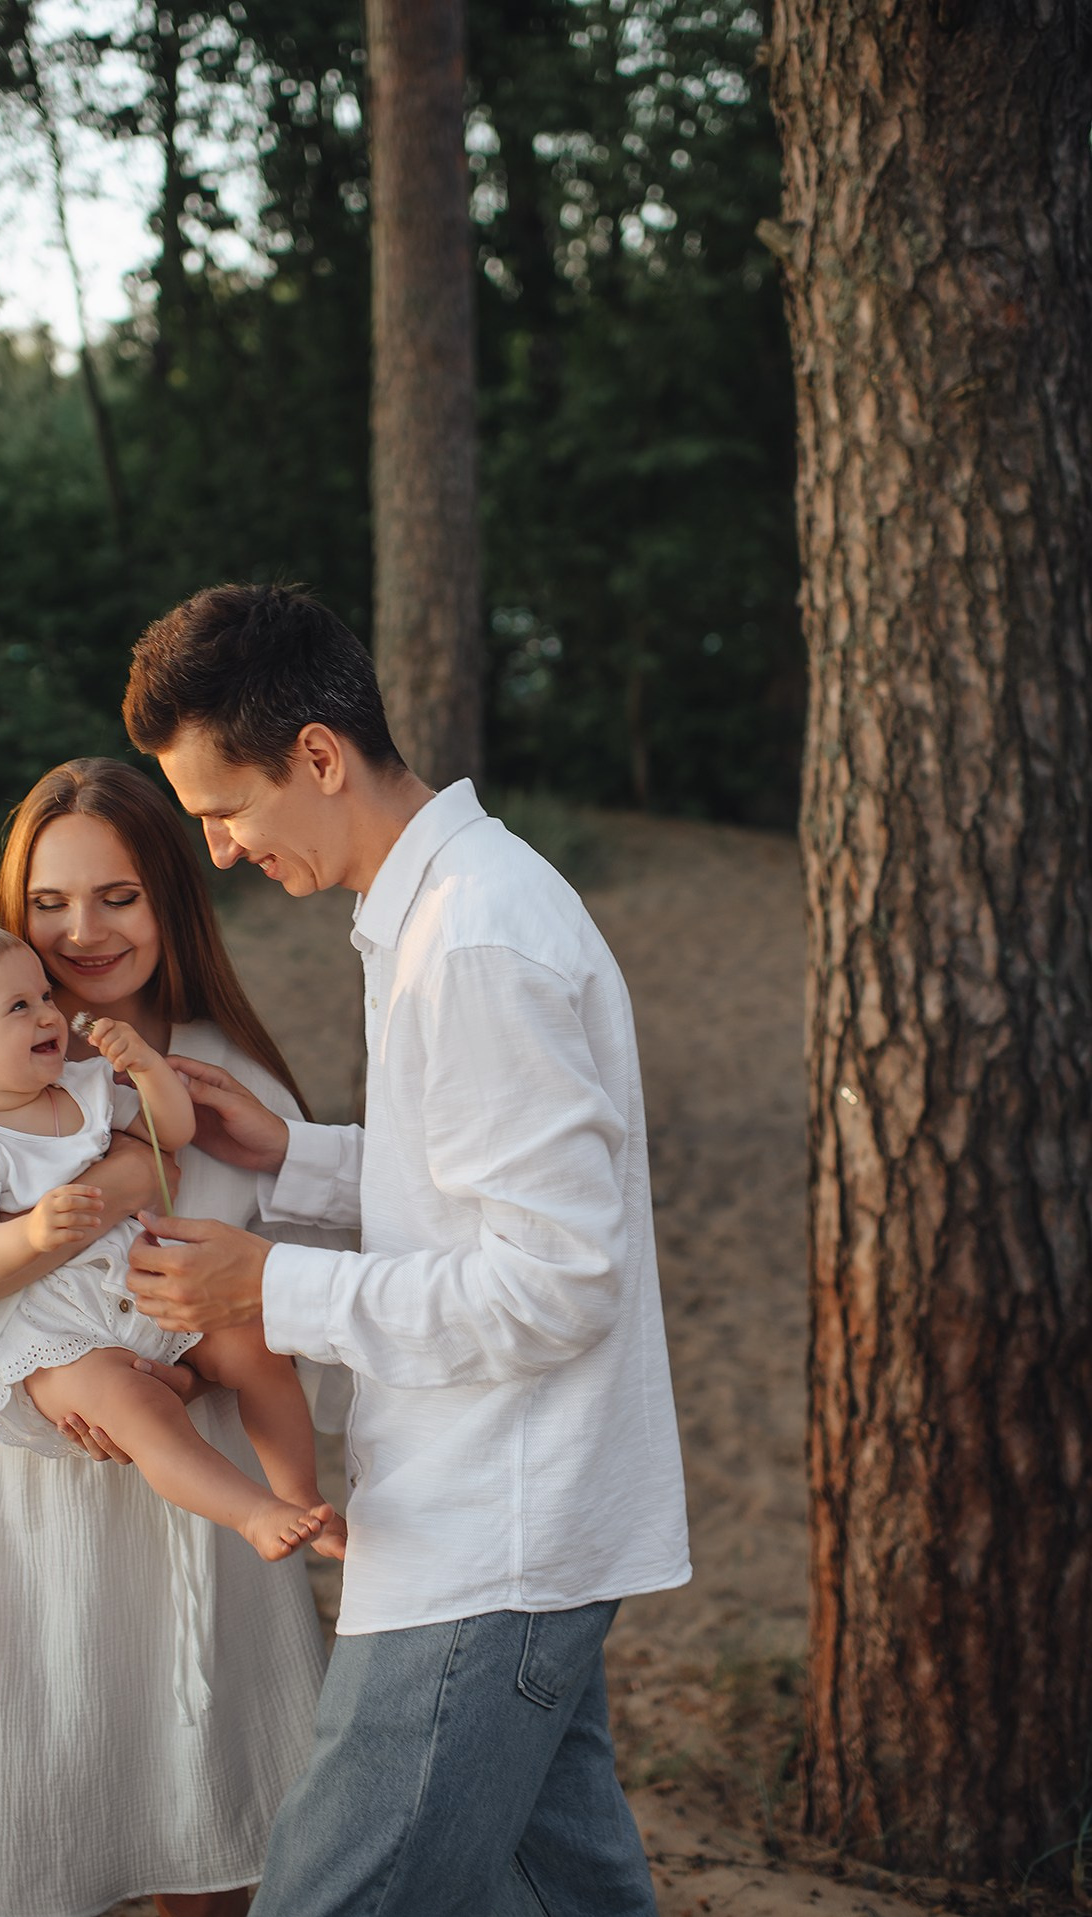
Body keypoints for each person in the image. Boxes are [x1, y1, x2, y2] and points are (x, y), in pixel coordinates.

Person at [119, 584, 692, 1917]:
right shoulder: (435, 908)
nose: (214, 850)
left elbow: (556, 1284)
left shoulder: (476, 939)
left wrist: (272, 1284)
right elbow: (478, 1196)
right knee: (570, 1895)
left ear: (319, 756)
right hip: (501, 1521)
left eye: (225, 808)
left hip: (484, 1538)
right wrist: (302, 1159)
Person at [0, 757, 349, 1917]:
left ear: (170, 899)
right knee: (51, 1803)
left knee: (219, 1833)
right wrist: (43, 1368)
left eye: (117, 896)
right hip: (24, 1499)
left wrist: (179, 1257)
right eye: (51, 904)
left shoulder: (224, 1069)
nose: (82, 934)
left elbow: (315, 1273)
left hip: (202, 1494)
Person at [0, 920, 340, 1560]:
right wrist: (31, 1231)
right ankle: (253, 1512)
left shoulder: (82, 1085)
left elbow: (170, 1133)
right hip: (60, 1333)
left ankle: (301, 1493)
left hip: (143, 1282)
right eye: (20, 1007)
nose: (48, 1016)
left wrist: (145, 1069)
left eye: (44, 997)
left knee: (255, 1346)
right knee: (137, 1410)